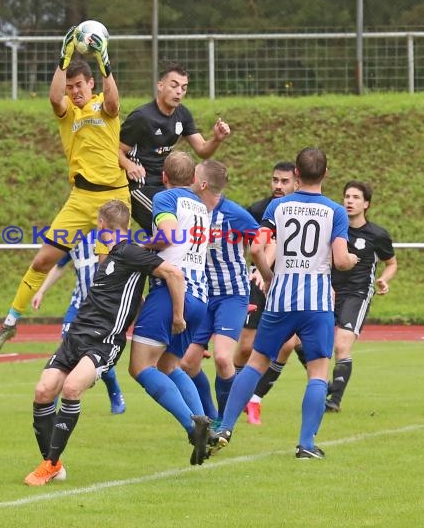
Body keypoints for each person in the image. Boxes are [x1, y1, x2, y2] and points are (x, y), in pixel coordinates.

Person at [0, 26, 130, 353]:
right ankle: (10, 321)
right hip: (80, 198)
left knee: (108, 266)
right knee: (42, 261)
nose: (74, 91)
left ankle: (108, 330)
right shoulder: (68, 113)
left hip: (114, 197)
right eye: (70, 87)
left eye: (79, 85)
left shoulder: (102, 108)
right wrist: (64, 58)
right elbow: (53, 97)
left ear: (90, 84)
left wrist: (103, 61)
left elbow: (114, 101)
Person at [23, 200, 186, 486]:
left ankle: (48, 465)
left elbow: (174, 273)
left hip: (104, 340)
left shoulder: (131, 251)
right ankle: (55, 463)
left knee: (72, 388)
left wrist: (178, 317)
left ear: (100, 224)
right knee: (43, 391)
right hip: (77, 334)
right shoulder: (113, 255)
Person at [210, 147, 358, 460]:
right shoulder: (335, 211)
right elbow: (342, 261)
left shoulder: (278, 207)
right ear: (326, 175)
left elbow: (256, 249)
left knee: (255, 363)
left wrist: (269, 275)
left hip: (280, 299)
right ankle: (306, 444)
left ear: (298, 175)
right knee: (317, 372)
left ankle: (224, 426)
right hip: (316, 302)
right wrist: (353, 258)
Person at [128, 152, 212, 466]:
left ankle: (193, 426)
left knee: (140, 367)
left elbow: (169, 235)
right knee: (169, 367)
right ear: (193, 179)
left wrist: (142, 247)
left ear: (164, 176)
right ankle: (206, 425)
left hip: (170, 291)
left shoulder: (165, 198)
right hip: (200, 297)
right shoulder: (200, 205)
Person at [179, 160, 259, 427]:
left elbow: (265, 240)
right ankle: (213, 416)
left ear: (202, 184)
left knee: (224, 358)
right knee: (187, 365)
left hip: (232, 295)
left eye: (195, 174)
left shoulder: (235, 214)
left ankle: (226, 424)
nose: (190, 177)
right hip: (203, 295)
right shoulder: (191, 210)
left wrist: (261, 269)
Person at [119, 62, 231, 232]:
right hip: (140, 186)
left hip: (167, 185)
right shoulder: (142, 117)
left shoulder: (182, 114)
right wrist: (129, 165)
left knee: (197, 220)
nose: (179, 91)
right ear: (160, 85)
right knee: (175, 228)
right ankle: (149, 255)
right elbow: (113, 150)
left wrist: (216, 139)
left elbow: (202, 150)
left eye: (184, 88)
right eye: (174, 85)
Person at [235, 161, 302, 425]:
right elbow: (249, 243)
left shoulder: (306, 209)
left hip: (290, 284)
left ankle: (255, 400)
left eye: (284, 181)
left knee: (286, 344)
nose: (278, 185)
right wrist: (250, 270)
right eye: (275, 180)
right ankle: (235, 394)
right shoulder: (259, 210)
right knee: (247, 346)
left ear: (297, 182)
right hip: (259, 282)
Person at [31, 229, 126, 414]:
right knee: (67, 351)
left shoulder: (107, 235)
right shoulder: (72, 236)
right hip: (78, 304)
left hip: (101, 307)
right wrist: (41, 291)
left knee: (96, 355)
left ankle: (114, 391)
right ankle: (51, 400)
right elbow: (59, 266)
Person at [325, 181, 397, 412]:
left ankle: (333, 401)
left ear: (366, 204)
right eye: (347, 196)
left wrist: (385, 279)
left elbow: (391, 263)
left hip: (357, 294)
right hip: (329, 291)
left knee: (342, 343)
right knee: (304, 342)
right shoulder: (334, 229)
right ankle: (325, 386)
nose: (349, 201)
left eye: (356, 197)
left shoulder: (377, 235)